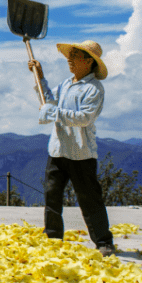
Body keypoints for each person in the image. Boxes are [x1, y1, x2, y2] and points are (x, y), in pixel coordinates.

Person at [28, 40, 116, 257]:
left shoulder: (94, 89)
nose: (69, 58)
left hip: (81, 153)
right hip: (58, 149)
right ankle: (53, 238)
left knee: (89, 199)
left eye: (75, 55)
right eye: (71, 54)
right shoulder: (67, 84)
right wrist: (39, 75)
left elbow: (84, 118)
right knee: (52, 196)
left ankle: (104, 242)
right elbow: (48, 99)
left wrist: (53, 112)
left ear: (88, 61)